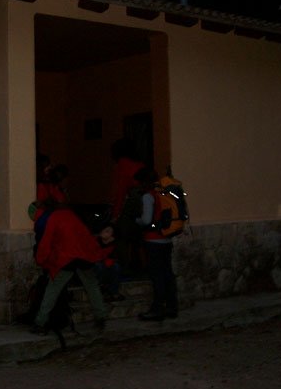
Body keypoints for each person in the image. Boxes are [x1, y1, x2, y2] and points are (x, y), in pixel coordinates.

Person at [31, 207, 115, 334]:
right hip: (84, 256)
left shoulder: (52, 219)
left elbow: (46, 241)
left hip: (67, 257)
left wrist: (41, 260)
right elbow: (85, 236)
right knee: (92, 286)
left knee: (53, 289)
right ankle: (101, 316)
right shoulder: (72, 216)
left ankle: (40, 322)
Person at [134, 167, 179, 321]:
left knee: (157, 275)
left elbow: (146, 220)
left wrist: (137, 220)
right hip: (166, 239)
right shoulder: (164, 193)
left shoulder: (148, 196)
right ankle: (172, 306)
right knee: (167, 274)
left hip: (153, 241)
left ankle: (157, 308)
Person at [109, 138, 145, 273]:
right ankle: (140, 265)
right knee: (138, 238)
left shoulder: (123, 165)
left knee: (121, 237)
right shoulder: (140, 164)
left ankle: (125, 267)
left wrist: (115, 214)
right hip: (143, 204)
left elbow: (121, 190)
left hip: (129, 204)